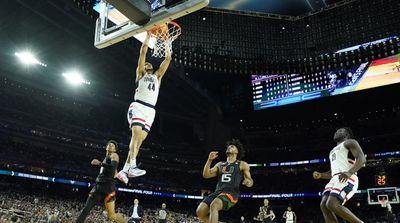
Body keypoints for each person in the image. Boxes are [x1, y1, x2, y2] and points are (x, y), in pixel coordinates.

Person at [117, 31, 172, 184]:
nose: (147, 64)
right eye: (145, 63)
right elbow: (143, 52)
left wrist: (167, 42)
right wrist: (148, 36)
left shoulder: (157, 77)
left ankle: (124, 170)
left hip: (150, 110)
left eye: (149, 63)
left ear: (152, 67)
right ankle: (132, 166)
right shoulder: (140, 74)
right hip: (138, 106)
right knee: (135, 137)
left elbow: (168, 59)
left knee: (139, 142)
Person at [313, 127, 366, 223]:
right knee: (324, 205)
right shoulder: (332, 151)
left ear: (347, 135)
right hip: (335, 178)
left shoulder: (350, 142)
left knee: (332, 204)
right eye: (336, 130)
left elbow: (362, 159)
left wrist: (349, 172)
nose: (337, 131)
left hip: (348, 176)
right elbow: (332, 173)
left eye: (341, 131)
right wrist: (320, 175)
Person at [196, 139, 254, 223]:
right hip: (218, 192)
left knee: (214, 205)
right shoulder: (220, 164)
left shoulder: (242, 164)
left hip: (231, 193)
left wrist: (248, 182)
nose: (229, 147)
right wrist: (209, 160)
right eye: (229, 146)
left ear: (237, 151)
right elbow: (206, 175)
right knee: (200, 212)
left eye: (232, 146)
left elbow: (250, 181)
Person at [76, 141, 127, 223]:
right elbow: (113, 171)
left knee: (111, 216)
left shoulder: (114, 155)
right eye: (109, 144)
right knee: (86, 209)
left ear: (115, 149)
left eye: (113, 145)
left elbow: (112, 168)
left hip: (108, 188)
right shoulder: (106, 158)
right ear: (106, 147)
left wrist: (99, 163)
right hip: (98, 187)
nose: (110, 145)